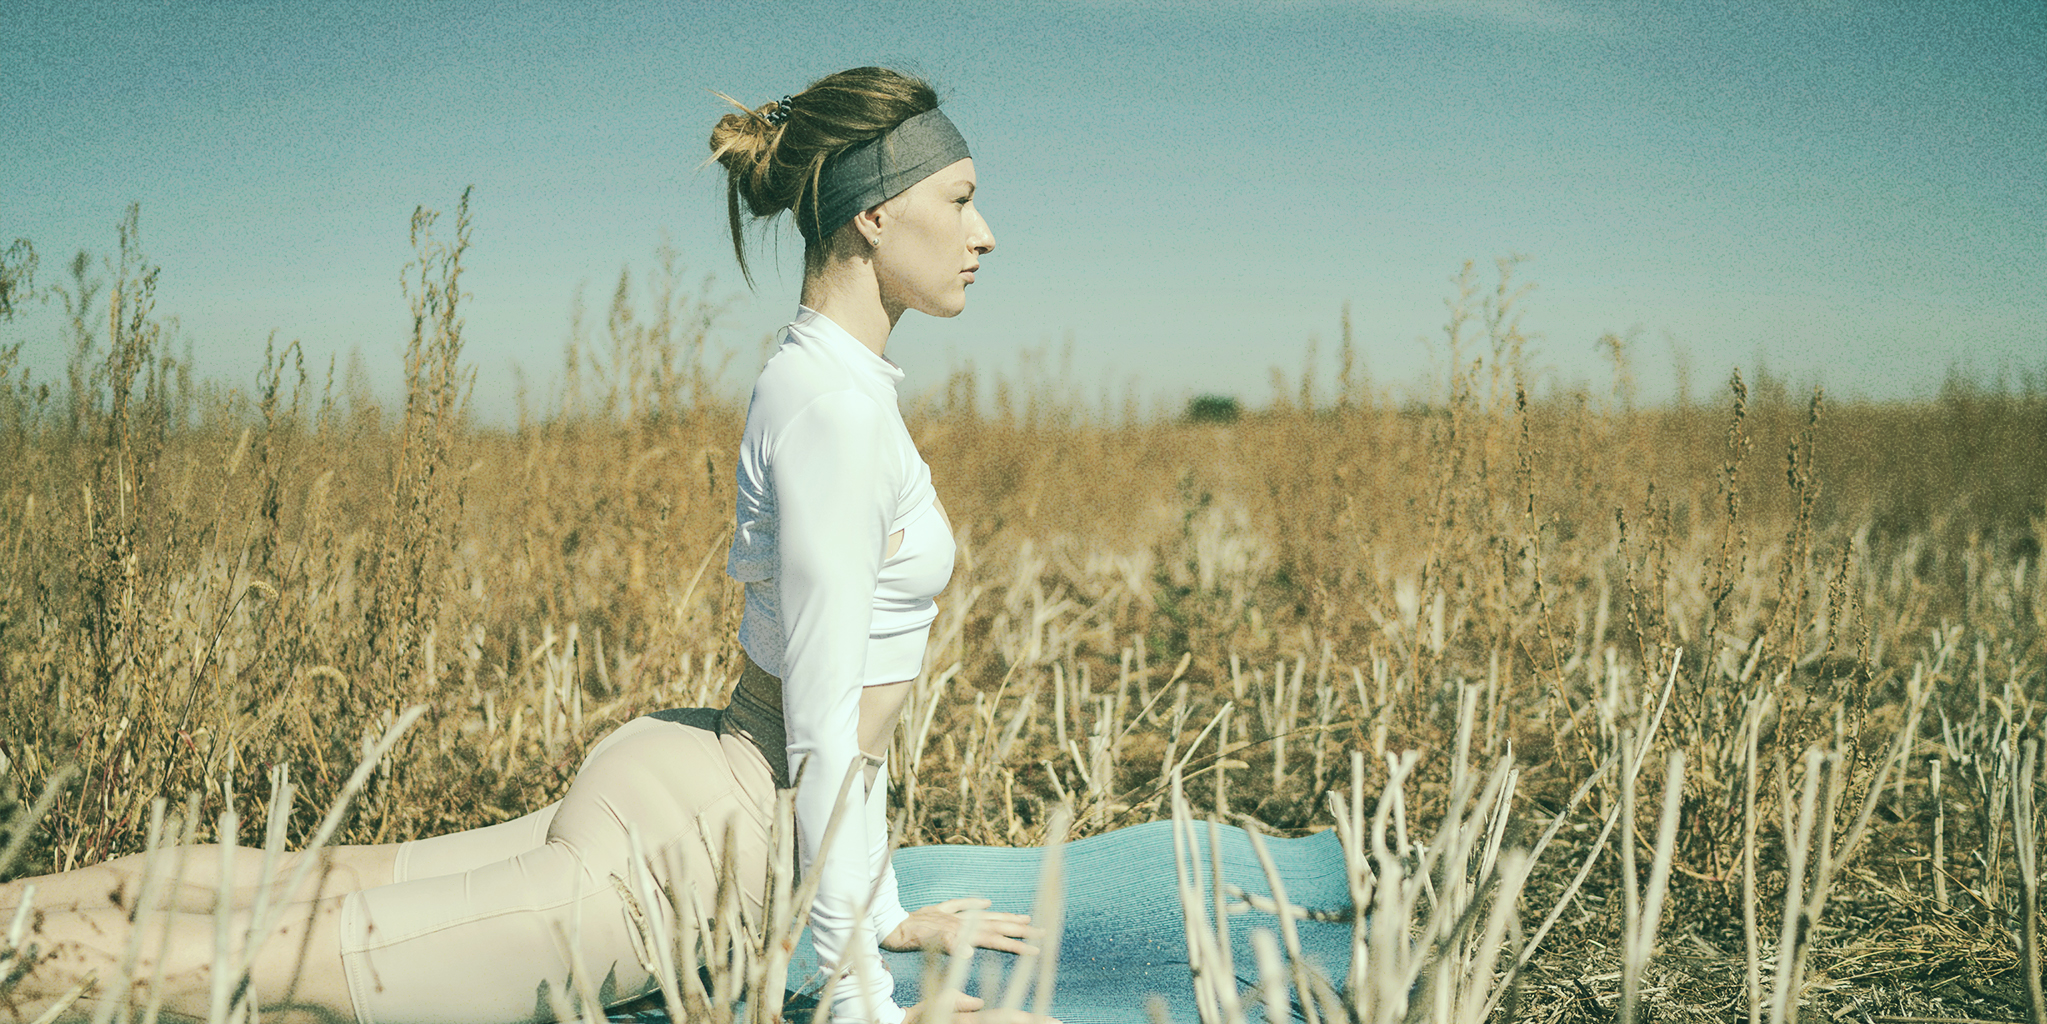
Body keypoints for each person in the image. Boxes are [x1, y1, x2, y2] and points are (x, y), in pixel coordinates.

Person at [0, 66, 1039, 1024]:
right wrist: (863, 998)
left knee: (298, 889)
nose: (982, 231)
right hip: (710, 840)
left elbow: (842, 715)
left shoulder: (818, 379)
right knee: (259, 964)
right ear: (872, 210)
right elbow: (824, 715)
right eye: (957, 199)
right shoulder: (838, 415)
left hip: (697, 773)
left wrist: (890, 908)